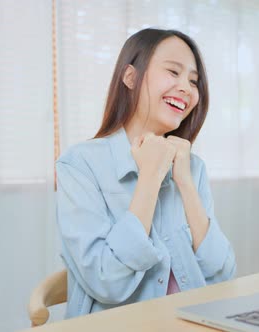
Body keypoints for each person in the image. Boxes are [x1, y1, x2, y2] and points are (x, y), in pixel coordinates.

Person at [55, 28, 237, 318]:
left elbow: (222, 276)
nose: (186, 88)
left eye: (193, 81)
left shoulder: (193, 167)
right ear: (130, 77)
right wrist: (150, 177)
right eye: (173, 72)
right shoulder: (79, 165)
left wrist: (185, 182)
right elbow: (106, 281)